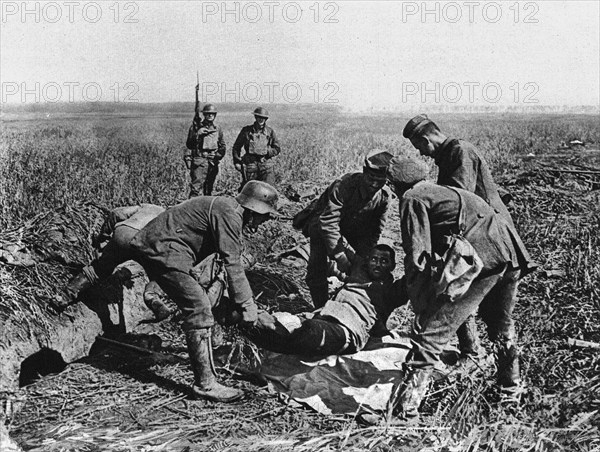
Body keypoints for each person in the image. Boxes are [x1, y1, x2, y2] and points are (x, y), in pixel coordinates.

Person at [385, 156, 536, 419]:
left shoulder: (413, 197)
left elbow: (417, 255)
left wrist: (421, 300)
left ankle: (405, 412)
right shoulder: (446, 192)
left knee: (434, 331)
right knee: (501, 326)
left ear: (393, 184)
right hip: (509, 256)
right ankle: (510, 392)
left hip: (481, 260)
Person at [129, 181, 279, 402]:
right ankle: (206, 385)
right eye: (265, 215)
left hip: (162, 247)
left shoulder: (226, 208)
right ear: (254, 208)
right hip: (165, 250)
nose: (265, 221)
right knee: (199, 309)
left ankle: (207, 363)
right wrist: (248, 306)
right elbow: (232, 263)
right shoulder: (230, 214)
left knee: (201, 302)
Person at [403, 114, 514, 359]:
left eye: (419, 146)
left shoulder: (460, 152)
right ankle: (475, 354)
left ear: (425, 138)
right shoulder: (450, 154)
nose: (422, 153)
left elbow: (461, 201)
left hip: (487, 238)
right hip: (482, 237)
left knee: (465, 293)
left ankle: (474, 354)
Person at [246, 244, 408, 356]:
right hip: (323, 316)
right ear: (367, 261)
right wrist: (301, 257)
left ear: (393, 266)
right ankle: (249, 322)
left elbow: (416, 280)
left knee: (304, 331)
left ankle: (268, 323)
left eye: (384, 261)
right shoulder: (356, 274)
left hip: (348, 330)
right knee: (277, 333)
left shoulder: (391, 291)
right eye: (374, 259)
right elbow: (332, 247)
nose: (378, 264)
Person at [293, 150, 393, 309]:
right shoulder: (344, 185)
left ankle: (354, 302)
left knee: (363, 264)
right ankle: (320, 307)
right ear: (364, 173)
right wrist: (339, 254)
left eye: (380, 180)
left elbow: (375, 230)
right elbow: (329, 220)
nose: (374, 184)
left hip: (355, 227)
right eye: (371, 178)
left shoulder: (384, 197)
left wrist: (365, 255)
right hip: (323, 223)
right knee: (317, 269)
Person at [55, 204, 174, 320]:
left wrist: (103, 237)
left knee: (98, 269)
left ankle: (64, 297)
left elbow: (116, 213)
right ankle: (151, 296)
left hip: (125, 234)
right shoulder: (173, 223)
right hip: (149, 244)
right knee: (158, 274)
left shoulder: (150, 207)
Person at [232, 107, 281, 189]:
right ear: (255, 117)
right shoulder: (246, 131)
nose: (261, 120)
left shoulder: (270, 131)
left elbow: (277, 148)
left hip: (266, 165)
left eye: (263, 118)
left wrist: (268, 151)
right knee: (249, 190)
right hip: (250, 165)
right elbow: (236, 147)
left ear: (266, 119)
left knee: (268, 190)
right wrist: (237, 162)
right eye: (259, 117)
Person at [185, 103, 226, 197]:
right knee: (196, 188)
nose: (210, 115)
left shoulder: (217, 128)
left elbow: (222, 146)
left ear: (215, 115)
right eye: (208, 113)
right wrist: (197, 134)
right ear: (204, 115)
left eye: (212, 113)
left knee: (209, 188)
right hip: (200, 161)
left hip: (212, 162)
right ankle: (192, 209)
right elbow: (189, 145)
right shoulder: (196, 127)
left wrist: (217, 156)